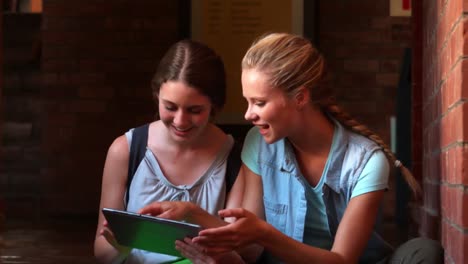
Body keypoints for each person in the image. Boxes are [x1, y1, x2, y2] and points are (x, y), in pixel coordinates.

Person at [189, 33, 444, 264]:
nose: (248, 115)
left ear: (300, 97)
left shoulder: (366, 161)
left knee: (424, 252)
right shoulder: (258, 143)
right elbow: (250, 248)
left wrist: (265, 234)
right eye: (248, 102)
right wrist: (192, 216)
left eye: (259, 102)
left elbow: (342, 260)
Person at [93, 39, 246, 264]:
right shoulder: (125, 150)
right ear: (157, 96)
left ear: (214, 105)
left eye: (194, 110)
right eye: (170, 107)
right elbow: (101, 251)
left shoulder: (234, 158)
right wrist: (120, 247)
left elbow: (241, 251)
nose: (181, 121)